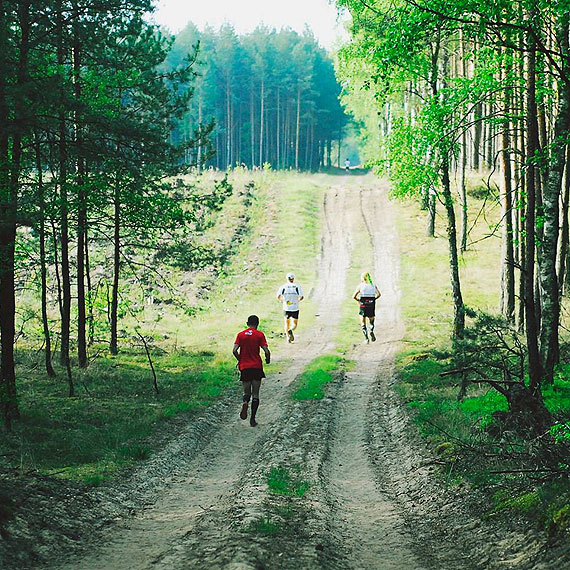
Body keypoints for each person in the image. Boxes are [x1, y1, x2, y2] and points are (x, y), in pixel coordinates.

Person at [233, 315, 270, 427]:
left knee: (246, 392)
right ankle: (252, 419)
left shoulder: (240, 335)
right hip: (256, 367)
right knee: (255, 394)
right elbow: (266, 351)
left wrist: (240, 359)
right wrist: (267, 359)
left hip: (245, 367)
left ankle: (245, 402)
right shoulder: (260, 335)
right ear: (257, 324)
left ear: (247, 323)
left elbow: (234, 350)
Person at [353, 272, 381, 343]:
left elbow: (354, 296)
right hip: (371, 304)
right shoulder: (373, 285)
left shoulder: (360, 286)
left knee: (363, 322)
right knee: (371, 320)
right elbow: (379, 294)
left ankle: (366, 339)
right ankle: (371, 330)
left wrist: (358, 300)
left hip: (363, 304)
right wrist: (374, 299)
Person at [277, 272, 304, 342]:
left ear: (287, 279)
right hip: (295, 307)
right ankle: (290, 330)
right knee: (294, 324)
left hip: (286, 307)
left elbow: (278, 296)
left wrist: (283, 301)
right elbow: (301, 296)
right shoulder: (297, 286)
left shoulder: (283, 287)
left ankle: (287, 337)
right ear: (293, 279)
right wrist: (297, 300)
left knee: (286, 323)